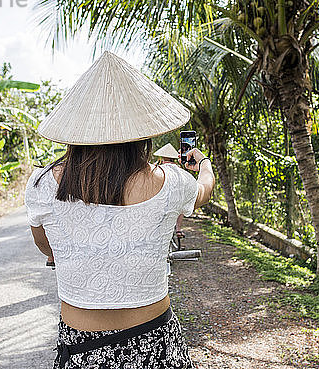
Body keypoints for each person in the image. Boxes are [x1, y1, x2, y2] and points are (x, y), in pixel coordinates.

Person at [25, 51, 215, 369]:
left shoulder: (43, 183)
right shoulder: (172, 181)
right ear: (142, 132)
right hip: (156, 342)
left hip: (82, 348)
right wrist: (204, 163)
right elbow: (204, 192)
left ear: (77, 131)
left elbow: (47, 248)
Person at [153, 143, 187, 240]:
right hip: (176, 195)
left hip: (163, 195)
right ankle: (178, 229)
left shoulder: (159, 167)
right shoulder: (178, 168)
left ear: (163, 156)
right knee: (181, 209)